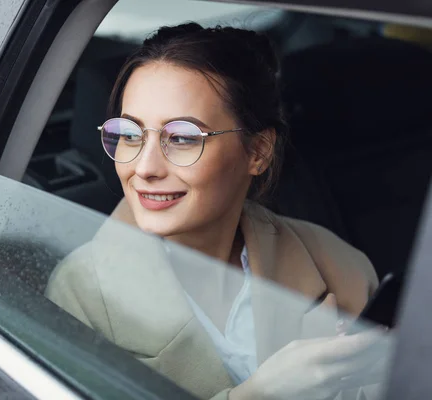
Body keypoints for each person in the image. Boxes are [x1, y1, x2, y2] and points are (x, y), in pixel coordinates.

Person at [46, 23, 387, 400]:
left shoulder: (336, 261)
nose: (144, 168)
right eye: (130, 134)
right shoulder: (79, 295)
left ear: (257, 152)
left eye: (181, 138)